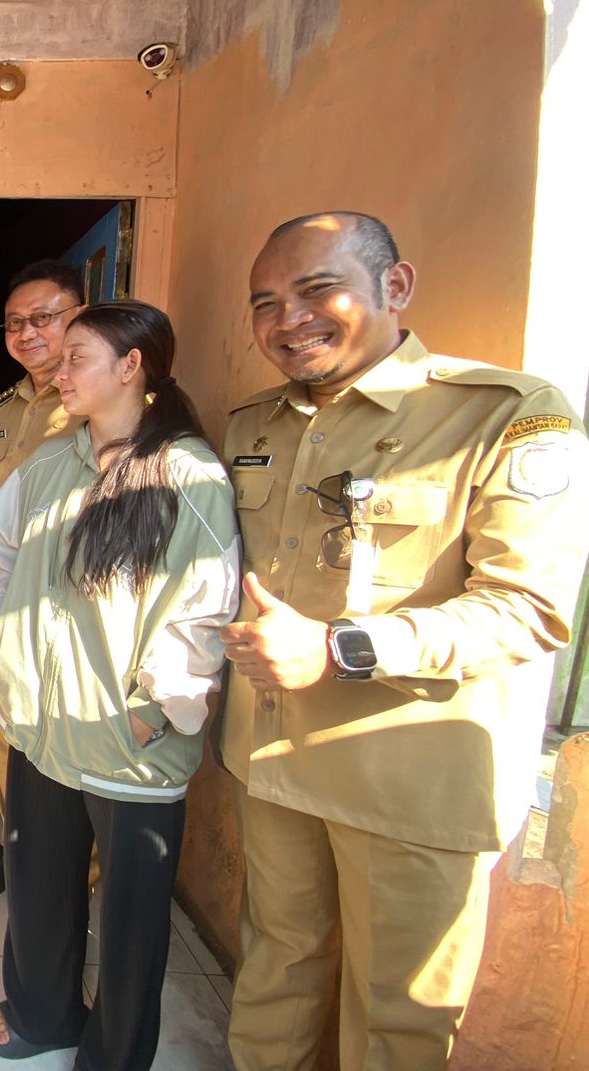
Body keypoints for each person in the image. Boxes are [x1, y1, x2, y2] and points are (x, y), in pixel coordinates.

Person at [218, 213, 589, 1071]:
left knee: (398, 1020)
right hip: (271, 757)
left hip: (408, 779)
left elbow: (529, 607)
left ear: (396, 287)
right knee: (276, 972)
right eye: (266, 303)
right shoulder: (256, 426)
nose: (288, 320)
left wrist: (343, 648)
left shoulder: (502, 415)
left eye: (317, 290)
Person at [0, 301, 239, 1067]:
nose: (59, 371)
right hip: (39, 724)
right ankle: (43, 1013)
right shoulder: (53, 460)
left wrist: (161, 709)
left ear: (132, 366)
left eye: (76, 358)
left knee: (129, 926)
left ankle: (113, 1054)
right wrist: (6, 640)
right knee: (38, 889)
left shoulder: (187, 473)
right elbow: (0, 545)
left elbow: (207, 601)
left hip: (130, 740)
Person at [0, 259, 86, 900]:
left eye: (44, 318)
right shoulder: (10, 407)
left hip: (72, 606)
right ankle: (17, 854)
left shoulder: (102, 399)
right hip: (10, 601)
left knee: (65, 744)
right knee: (7, 735)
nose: (27, 333)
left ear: (80, 315)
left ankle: (74, 887)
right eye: (14, 324)